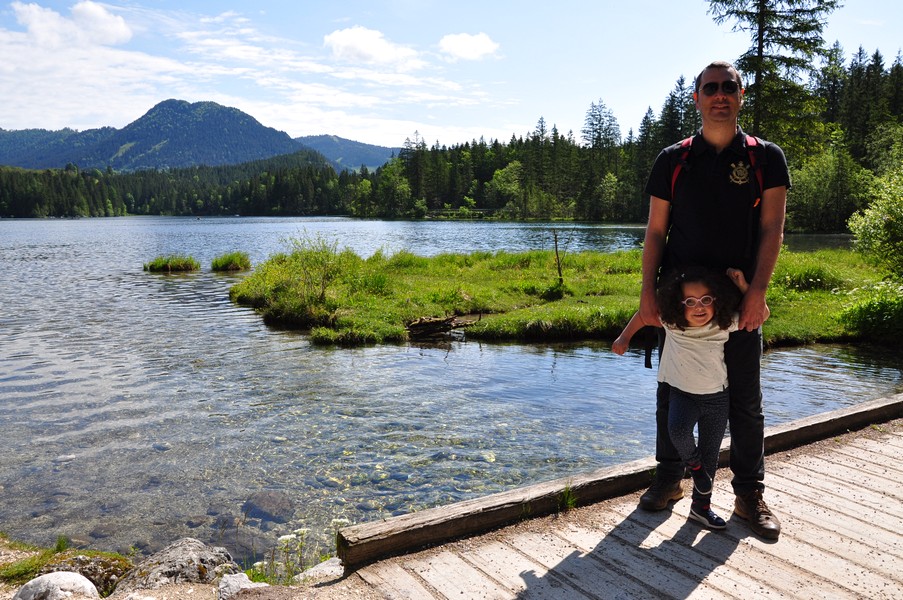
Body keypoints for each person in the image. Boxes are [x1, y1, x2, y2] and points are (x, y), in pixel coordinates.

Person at [635, 60, 790, 540]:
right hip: (681, 304)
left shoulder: (766, 158)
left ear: (741, 95)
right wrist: (647, 298)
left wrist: (758, 294)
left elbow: (772, 228)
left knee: (745, 401)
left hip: (738, 301)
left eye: (729, 87)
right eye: (710, 88)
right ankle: (670, 478)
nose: (720, 94)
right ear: (697, 97)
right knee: (672, 394)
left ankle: (748, 494)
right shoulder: (674, 160)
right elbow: (656, 231)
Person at [614, 266, 759, 529]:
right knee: (678, 431)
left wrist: (744, 288)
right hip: (683, 395)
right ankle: (694, 468)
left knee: (710, 455)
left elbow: (760, 316)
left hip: (717, 399)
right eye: (690, 302)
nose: (698, 307)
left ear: (716, 300)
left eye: (706, 300)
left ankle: (701, 509)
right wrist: (624, 338)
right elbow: (643, 316)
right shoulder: (673, 323)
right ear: (678, 304)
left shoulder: (723, 324)